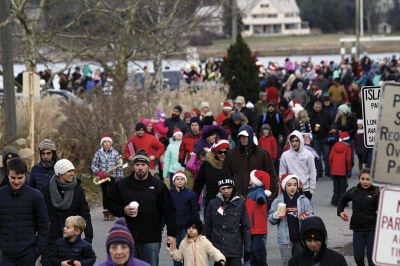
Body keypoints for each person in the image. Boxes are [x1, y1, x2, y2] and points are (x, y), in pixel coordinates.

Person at [108, 150, 177, 266]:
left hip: (151, 238)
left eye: (143, 165)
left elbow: (169, 210)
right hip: (126, 238)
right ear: (133, 166)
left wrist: (171, 234)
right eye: (137, 165)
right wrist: (123, 210)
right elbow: (110, 204)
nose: (140, 168)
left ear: (148, 166)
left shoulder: (158, 186)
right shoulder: (122, 184)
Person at [41, 159, 93, 265]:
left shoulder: (77, 190)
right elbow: (40, 216)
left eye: (72, 170)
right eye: (68, 171)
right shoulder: (46, 190)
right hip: (51, 239)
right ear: (60, 173)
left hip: (71, 240)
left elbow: (85, 214)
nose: (72, 173)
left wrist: (88, 237)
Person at [0, 158, 49, 265]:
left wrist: (36, 252)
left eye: (20, 178)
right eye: (13, 178)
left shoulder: (36, 196)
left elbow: (44, 227)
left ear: (26, 175)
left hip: (28, 255)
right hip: (5, 257)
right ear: (7, 175)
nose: (16, 181)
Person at [269, 174, 314, 266]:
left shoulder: (303, 200)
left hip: (301, 239)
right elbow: (271, 219)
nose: (292, 187)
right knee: (287, 263)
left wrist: (306, 218)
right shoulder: (278, 201)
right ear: (284, 186)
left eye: (294, 184)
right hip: (285, 240)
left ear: (298, 186)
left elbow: (312, 216)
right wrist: (277, 214)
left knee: (301, 263)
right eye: (289, 185)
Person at [204, 178, 251, 266]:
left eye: (228, 188)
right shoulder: (213, 204)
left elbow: (246, 226)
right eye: (223, 188)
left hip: (235, 248)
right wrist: (207, 248)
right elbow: (207, 227)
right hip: (218, 249)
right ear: (219, 189)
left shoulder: (240, 203)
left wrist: (247, 247)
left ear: (233, 188)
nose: (226, 191)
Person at [223, 124, 278, 199]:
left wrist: (270, 197)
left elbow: (271, 175)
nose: (243, 139)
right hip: (237, 198)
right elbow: (226, 175)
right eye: (241, 136)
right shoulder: (231, 154)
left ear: (251, 136)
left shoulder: (262, 153)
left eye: (246, 136)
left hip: (257, 198)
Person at [337, 169, 378, 266]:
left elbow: (384, 207)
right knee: (358, 258)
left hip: (372, 229)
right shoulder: (354, 190)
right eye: (362, 178)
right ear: (359, 179)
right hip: (357, 228)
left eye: (368, 179)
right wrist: (340, 212)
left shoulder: (376, 192)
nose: (365, 181)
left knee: (372, 258)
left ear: (372, 180)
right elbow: (342, 199)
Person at [169, 170, 199, 266]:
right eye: (177, 179)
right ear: (174, 181)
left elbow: (195, 211)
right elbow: (165, 210)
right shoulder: (169, 194)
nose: (180, 181)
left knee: (187, 249)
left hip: (186, 228)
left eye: (182, 179)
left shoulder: (191, 194)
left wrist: (196, 227)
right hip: (173, 228)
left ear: (185, 181)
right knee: (174, 251)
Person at [92, 135, 123, 221]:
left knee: (112, 194)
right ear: (102, 143)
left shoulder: (115, 153)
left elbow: (119, 166)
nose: (107, 143)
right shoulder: (98, 153)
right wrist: (98, 172)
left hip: (112, 177)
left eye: (108, 142)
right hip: (103, 177)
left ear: (111, 143)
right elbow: (94, 165)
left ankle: (112, 212)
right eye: (105, 142)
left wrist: (119, 177)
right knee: (105, 194)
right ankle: (106, 213)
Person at [193, 140, 231, 212]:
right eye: (220, 152)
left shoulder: (231, 164)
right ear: (215, 153)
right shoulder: (207, 165)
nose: (223, 154)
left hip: (228, 204)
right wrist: (195, 200)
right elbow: (199, 182)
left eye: (225, 152)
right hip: (211, 202)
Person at [279, 130, 316, 200]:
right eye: (292, 141)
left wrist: (311, 190)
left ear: (301, 141)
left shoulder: (308, 154)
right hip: (290, 189)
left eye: (296, 141)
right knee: (291, 211)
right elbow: (282, 174)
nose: (294, 143)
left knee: (306, 211)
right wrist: (284, 188)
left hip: (305, 189)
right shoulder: (285, 155)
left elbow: (312, 172)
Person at [246, 170, 273, 266]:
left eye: (251, 178)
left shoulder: (258, 191)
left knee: (258, 252)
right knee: (253, 253)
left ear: (255, 181)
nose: (249, 180)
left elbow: (260, 196)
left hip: (258, 229)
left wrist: (261, 200)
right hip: (252, 228)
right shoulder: (252, 192)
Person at [329, 131, 352, 206]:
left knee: (336, 187)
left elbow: (330, 158)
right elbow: (348, 160)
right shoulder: (348, 147)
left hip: (334, 170)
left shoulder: (334, 146)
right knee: (343, 187)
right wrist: (349, 169)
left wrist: (331, 167)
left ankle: (334, 201)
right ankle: (342, 202)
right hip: (343, 170)